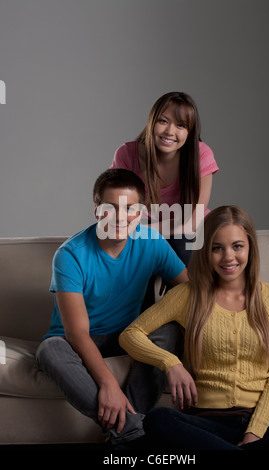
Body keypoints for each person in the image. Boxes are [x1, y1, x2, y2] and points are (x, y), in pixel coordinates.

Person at [119, 205, 269, 450]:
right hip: (206, 425)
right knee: (157, 420)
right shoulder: (188, 295)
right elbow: (130, 335)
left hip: (263, 424)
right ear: (206, 251)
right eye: (217, 248)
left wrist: (254, 433)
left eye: (237, 246)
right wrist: (170, 363)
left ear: (250, 248)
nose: (228, 257)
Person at [36, 168, 188, 447]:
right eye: (110, 208)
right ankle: (133, 431)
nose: (120, 217)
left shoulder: (152, 242)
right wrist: (108, 384)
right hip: (77, 342)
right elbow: (77, 333)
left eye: (130, 208)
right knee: (49, 350)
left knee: (167, 330)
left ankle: (127, 435)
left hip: (127, 335)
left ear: (141, 212)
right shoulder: (70, 254)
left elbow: (189, 290)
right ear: (96, 211)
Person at [111, 91, 219, 266]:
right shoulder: (126, 154)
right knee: (136, 253)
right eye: (163, 121)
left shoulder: (201, 154)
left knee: (181, 241)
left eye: (181, 125)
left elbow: (193, 220)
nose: (170, 131)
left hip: (187, 231)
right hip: (145, 232)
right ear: (152, 122)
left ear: (190, 132)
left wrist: (143, 231)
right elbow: (117, 210)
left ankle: (184, 293)